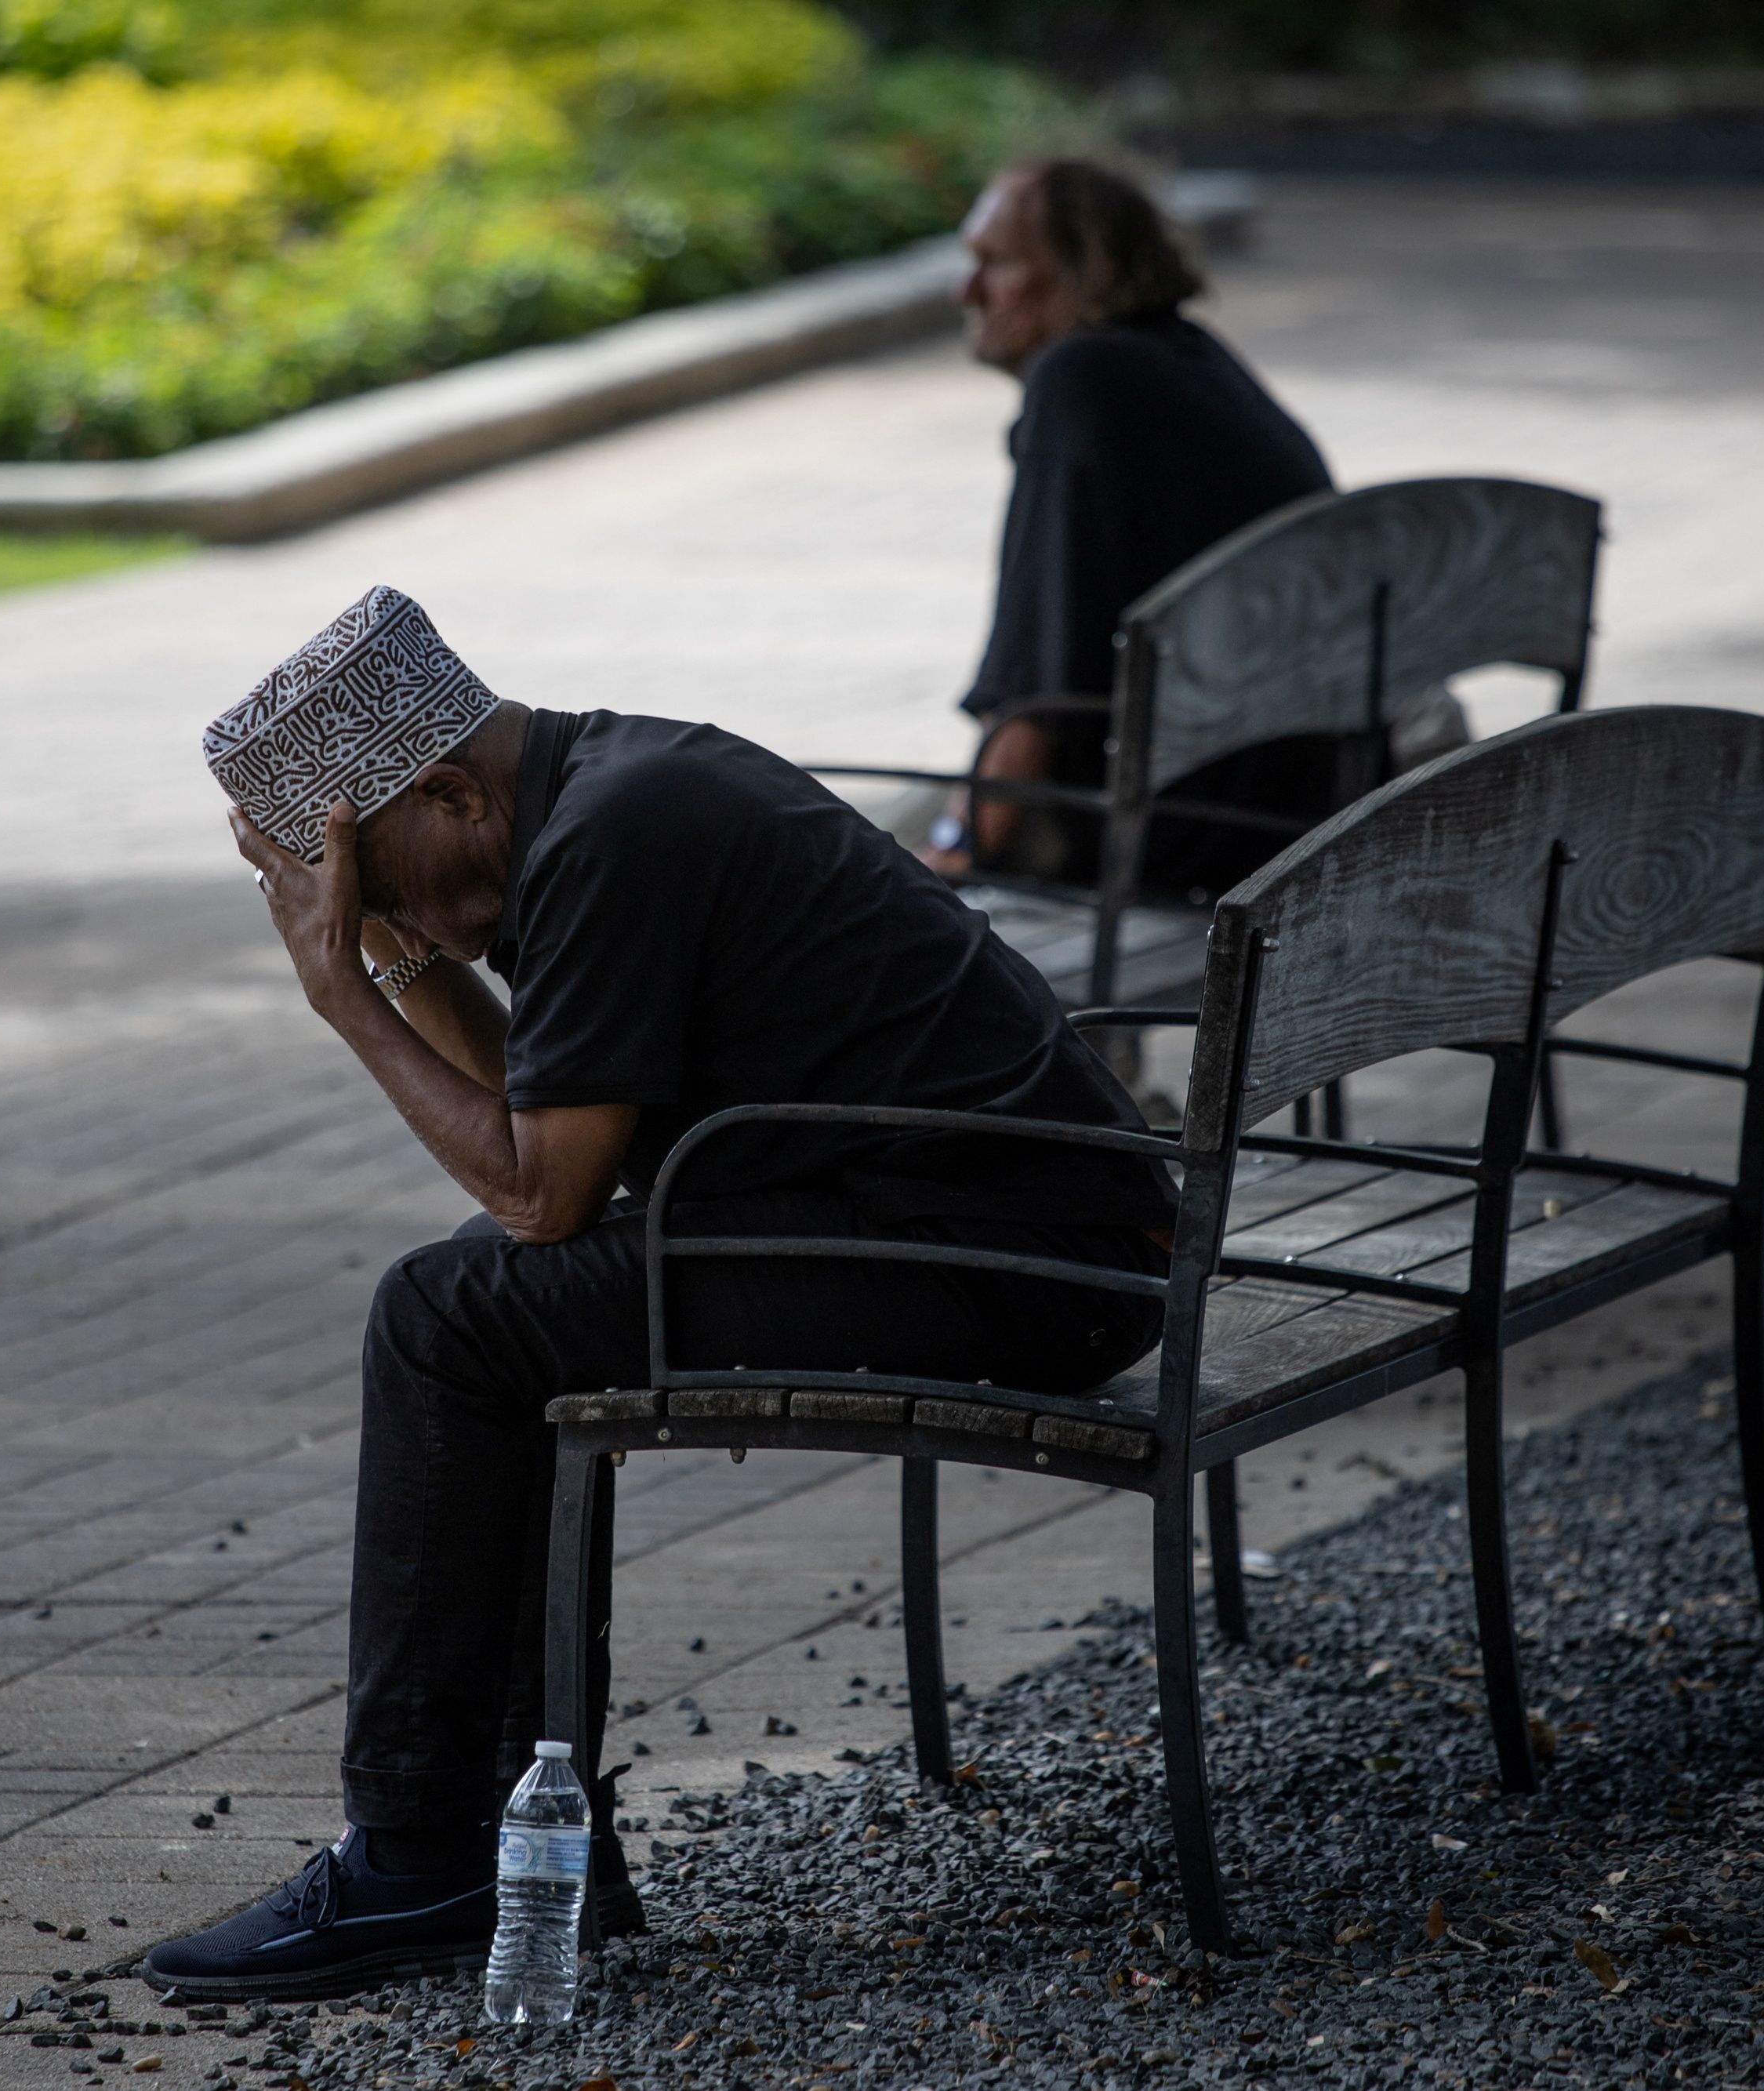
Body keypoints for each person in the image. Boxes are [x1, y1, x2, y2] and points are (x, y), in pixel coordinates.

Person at [144, 583, 1172, 2000]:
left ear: (449, 792)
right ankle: (497, 1843)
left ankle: (419, 1851)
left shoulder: (614, 839)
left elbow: (541, 1192)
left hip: (1017, 1263)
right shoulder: (610, 787)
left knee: (445, 1313)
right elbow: (545, 1128)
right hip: (1007, 1229)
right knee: (477, 1305)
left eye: (383, 888)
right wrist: (397, 951)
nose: (389, 926)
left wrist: (346, 994)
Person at [926, 157, 1369, 897]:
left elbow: (1038, 684)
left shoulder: (1082, 379)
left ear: (1081, 271)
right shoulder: (1191, 360)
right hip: (1294, 804)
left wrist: (956, 850)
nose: (966, 291)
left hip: (1186, 838)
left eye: (995, 263)